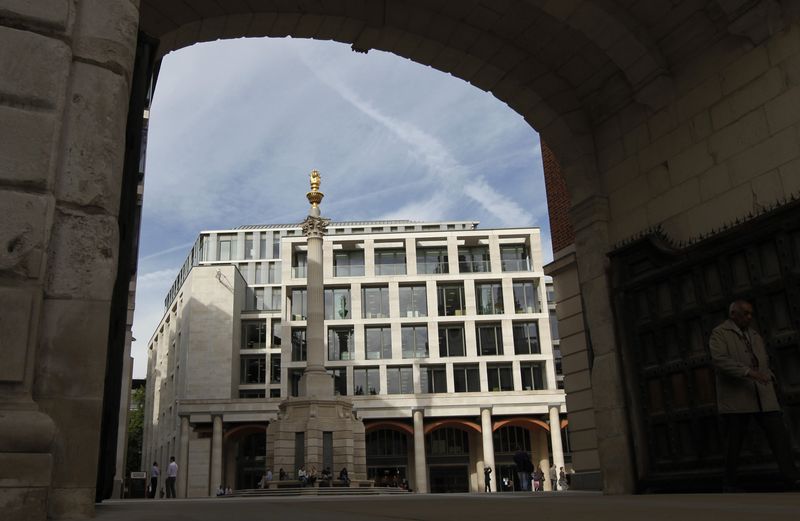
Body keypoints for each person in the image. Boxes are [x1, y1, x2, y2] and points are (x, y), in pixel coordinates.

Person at [710, 300, 800, 491]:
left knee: (779, 437)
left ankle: (792, 478)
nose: (750, 317)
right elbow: (720, 360)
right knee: (733, 444)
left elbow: (761, 362)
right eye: (746, 313)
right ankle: (729, 483)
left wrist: (769, 375)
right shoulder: (719, 333)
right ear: (734, 314)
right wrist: (748, 372)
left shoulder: (755, 335)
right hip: (737, 398)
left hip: (763, 397)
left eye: (751, 313)